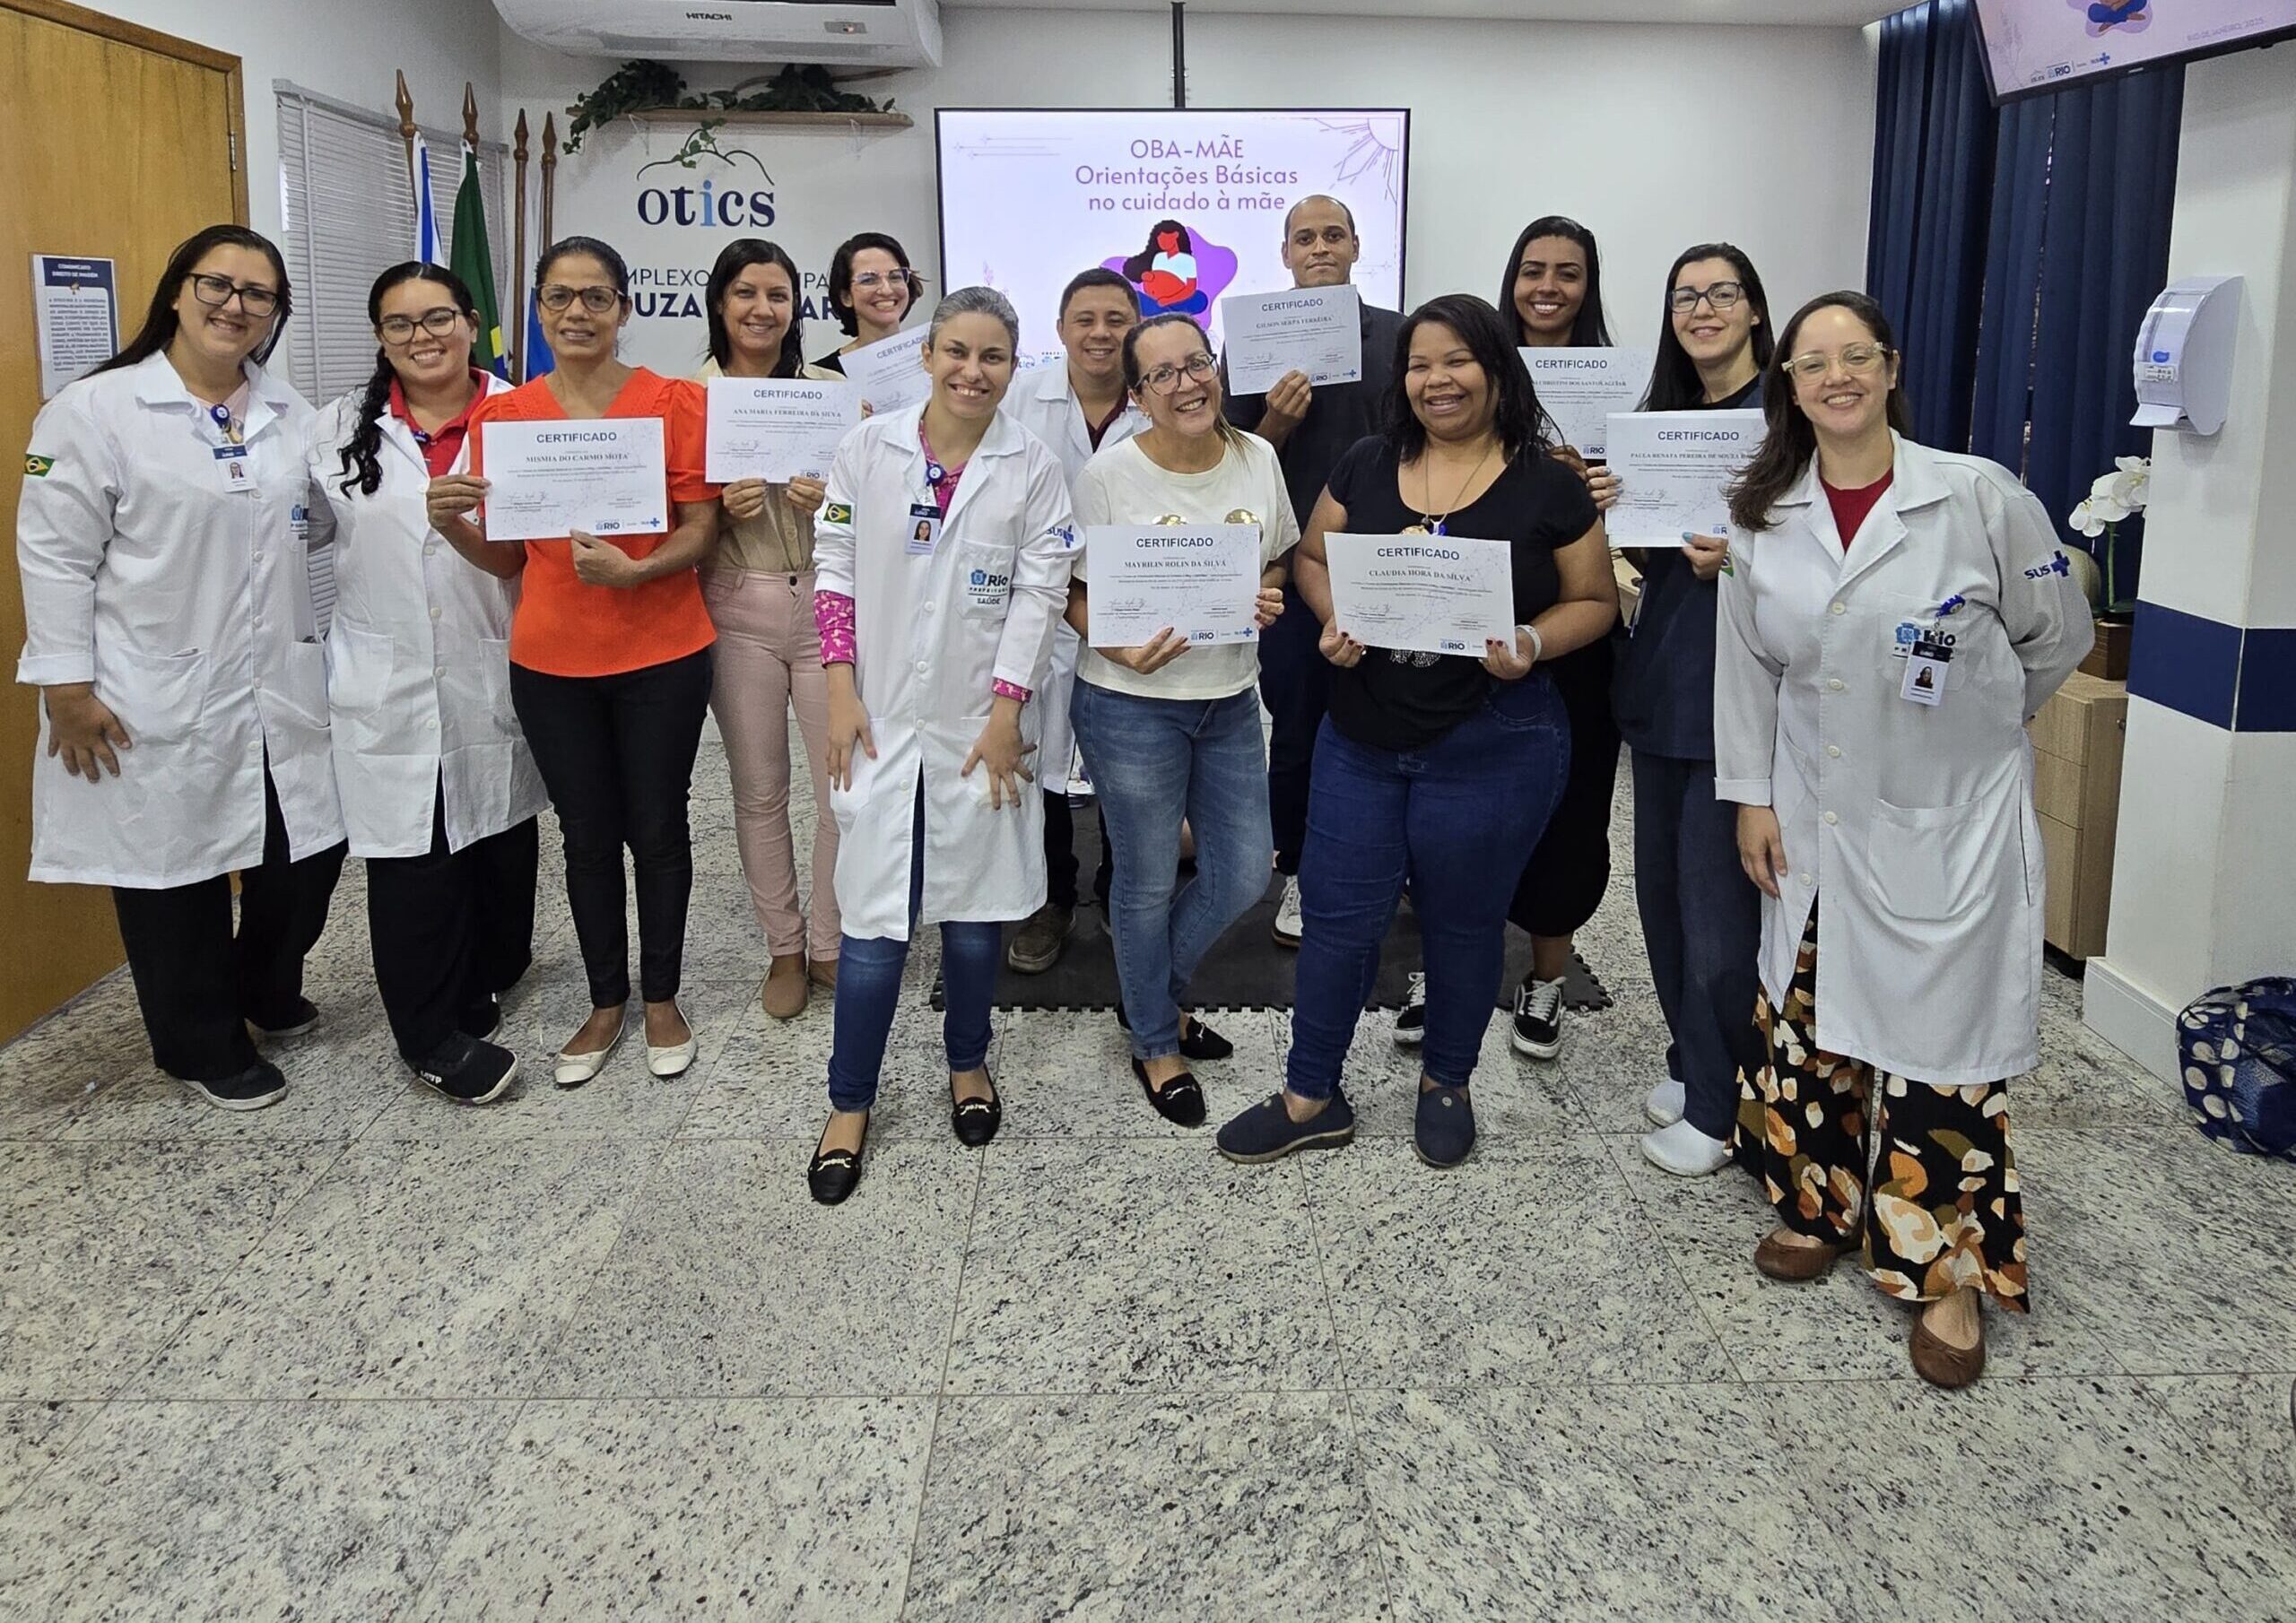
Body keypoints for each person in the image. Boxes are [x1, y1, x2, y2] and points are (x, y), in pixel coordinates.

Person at [1715, 290, 2091, 1386]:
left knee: (1942, 1049)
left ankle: (1948, 1272)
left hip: (1944, 818)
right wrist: (1751, 794)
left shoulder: (1976, 497)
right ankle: (1816, 1204)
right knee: (1808, 1017)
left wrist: (1970, 730)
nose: (1835, 376)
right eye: (1812, 361)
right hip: (1810, 808)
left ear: (1888, 368)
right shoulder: (1762, 509)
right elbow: (1749, 667)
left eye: (1855, 356)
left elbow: (2052, 637)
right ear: (1787, 382)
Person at [1215, 294, 1616, 1170]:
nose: (1436, 379)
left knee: (1464, 926)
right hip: (1361, 739)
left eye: (1456, 360)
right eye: (1419, 364)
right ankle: (1308, 1093)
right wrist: (1331, 617)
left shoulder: (1546, 481)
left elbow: (1597, 600)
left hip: (1495, 742)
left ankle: (1447, 1081)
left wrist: (1533, 641)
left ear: (1496, 369)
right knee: (1335, 922)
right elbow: (1314, 559)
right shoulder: (1366, 462)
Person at [15, 223, 344, 1110]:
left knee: (305, 855)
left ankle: (263, 991)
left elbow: (318, 514)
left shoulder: (289, 412)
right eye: (218, 284)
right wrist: (66, 686)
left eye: (258, 294)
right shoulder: (94, 410)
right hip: (148, 686)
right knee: (174, 874)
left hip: (276, 676)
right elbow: (52, 554)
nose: (236, 306)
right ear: (176, 291)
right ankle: (198, 1044)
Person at [428, 236, 722, 1088]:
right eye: (559, 298)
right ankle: (605, 999)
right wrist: (453, 525)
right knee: (586, 835)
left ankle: (662, 995)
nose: (577, 314)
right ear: (538, 310)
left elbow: (703, 530)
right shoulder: (505, 418)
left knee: (659, 828)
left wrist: (639, 570)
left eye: (596, 297)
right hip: (552, 660)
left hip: (664, 649)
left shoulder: (671, 402)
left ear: (624, 308)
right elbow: (508, 563)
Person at [805, 287, 1075, 1204]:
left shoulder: (1030, 464)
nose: (971, 370)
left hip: (979, 724)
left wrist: (1007, 709)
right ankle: (850, 1101)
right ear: (926, 355)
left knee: (972, 919)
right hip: (876, 717)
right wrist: (839, 688)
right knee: (875, 924)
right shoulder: (864, 449)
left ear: (1013, 366)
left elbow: (1040, 592)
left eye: (992, 356)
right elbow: (833, 567)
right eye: (956, 351)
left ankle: (969, 1065)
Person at [311, 262, 544, 1105]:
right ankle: (426, 1035)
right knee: (414, 849)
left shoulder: (525, 410)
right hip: (388, 669)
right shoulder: (336, 426)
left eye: (438, 317)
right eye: (400, 324)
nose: (422, 337)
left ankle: (482, 977)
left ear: (471, 321)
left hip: (497, 650)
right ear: (379, 337)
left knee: (497, 832)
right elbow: (296, 532)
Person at [1067, 314, 1293, 1124]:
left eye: (1196, 363)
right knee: (1146, 879)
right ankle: (1157, 1042)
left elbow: (1273, 554)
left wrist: (1265, 590)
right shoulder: (1109, 475)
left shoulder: (1258, 456)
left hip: (1229, 694)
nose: (1186, 383)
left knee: (1239, 872)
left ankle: (1148, 995)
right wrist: (1120, 650)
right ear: (1138, 395)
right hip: (1131, 705)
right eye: (1162, 375)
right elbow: (1071, 592)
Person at [1610, 242, 1773, 1176]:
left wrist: (1741, 559)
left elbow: (1818, 555)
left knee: (1719, 926)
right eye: (1684, 296)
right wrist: (1616, 501)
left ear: (1754, 309)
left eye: (1721, 293)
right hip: (1665, 686)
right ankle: (1690, 1059)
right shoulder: (1665, 420)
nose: (1701, 309)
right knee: (1663, 905)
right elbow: (1653, 554)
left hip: (1737, 703)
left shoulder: (1781, 419)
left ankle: (1719, 1111)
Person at [1225, 195, 1406, 947]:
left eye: (1334, 234)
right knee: (1299, 720)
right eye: (1306, 238)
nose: (1321, 247)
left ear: (1358, 246)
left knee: (1393, 720)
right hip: (1286, 565)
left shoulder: (1400, 336)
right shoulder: (1252, 340)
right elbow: (1227, 456)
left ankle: (1392, 867)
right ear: (1286, 253)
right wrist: (1278, 422)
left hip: (1390, 562)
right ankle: (1298, 868)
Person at [1476, 213, 1626, 1064]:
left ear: (1588, 284)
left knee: (1571, 810)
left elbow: (1663, 516)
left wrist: (1615, 489)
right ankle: (1438, 968)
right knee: (1456, 808)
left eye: (1566, 273)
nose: (1547, 287)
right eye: (1533, 269)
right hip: (1478, 619)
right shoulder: (1476, 374)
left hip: (1576, 629)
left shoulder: (1631, 386)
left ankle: (1545, 978)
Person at [698, 238, 842, 1020]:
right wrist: (716, 509)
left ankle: (830, 943)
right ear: (720, 302)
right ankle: (783, 947)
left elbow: (867, 511)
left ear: (797, 308)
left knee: (838, 789)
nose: (762, 309)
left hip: (825, 601)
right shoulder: (690, 398)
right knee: (758, 791)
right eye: (747, 293)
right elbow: (667, 515)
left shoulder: (828, 393)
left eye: (779, 295)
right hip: (735, 603)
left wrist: (835, 500)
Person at [1002, 266, 1149, 972]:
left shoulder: (1164, 400)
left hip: (1134, 612)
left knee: (1129, 760)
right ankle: (1051, 898)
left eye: (1116, 319)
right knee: (1042, 761)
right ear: (1059, 330)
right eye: (1085, 319)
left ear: (1137, 329)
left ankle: (1120, 889)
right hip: (1040, 612)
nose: (1100, 333)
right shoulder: (1019, 401)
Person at [814, 231, 920, 374]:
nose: (886, 290)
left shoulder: (934, 362)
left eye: (895, 277)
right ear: (846, 297)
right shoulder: (822, 376)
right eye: (868, 280)